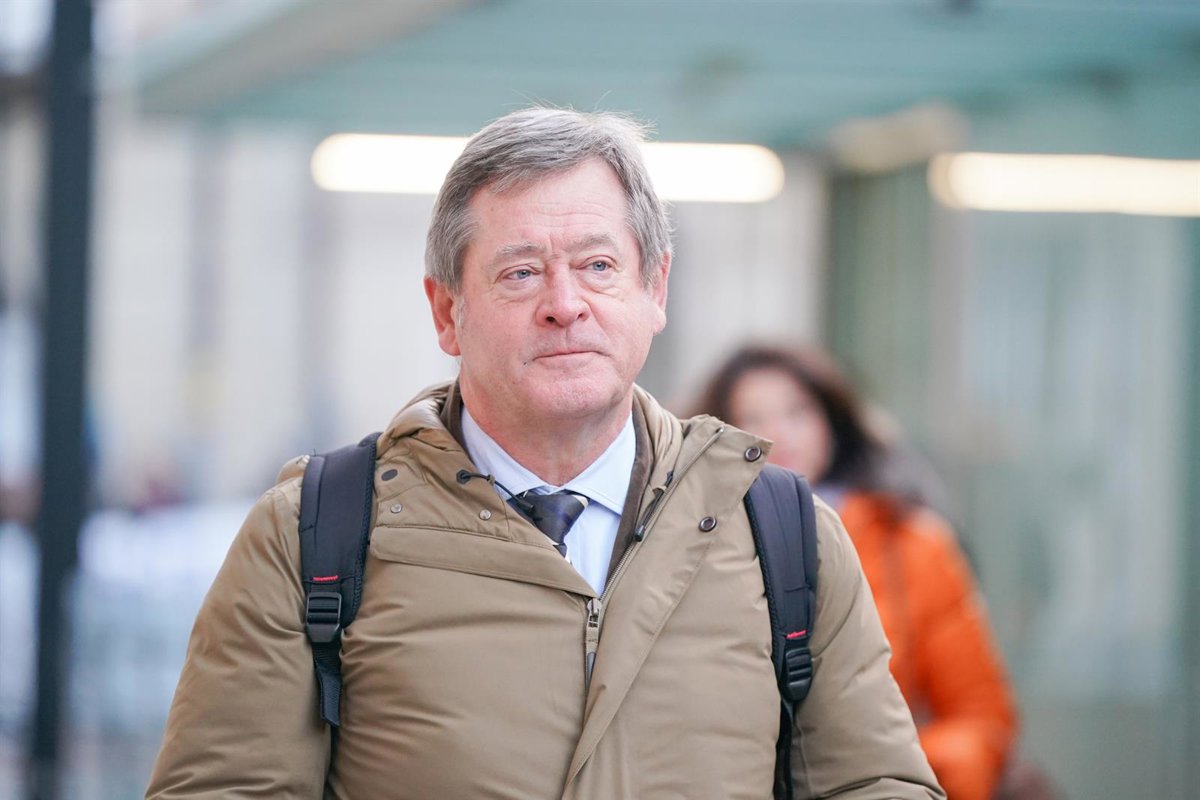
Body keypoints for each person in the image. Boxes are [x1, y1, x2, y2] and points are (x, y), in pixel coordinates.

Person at [145, 108, 943, 799]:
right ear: (447, 311)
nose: (565, 305)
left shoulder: (785, 535)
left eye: (598, 266)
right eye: (521, 273)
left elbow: (873, 784)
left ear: (654, 289)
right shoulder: (310, 540)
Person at [693, 344, 1018, 800]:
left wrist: (890, 773)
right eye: (754, 417)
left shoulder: (912, 545)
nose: (779, 433)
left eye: (797, 412)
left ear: (831, 421)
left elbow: (979, 718)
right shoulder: (690, 545)